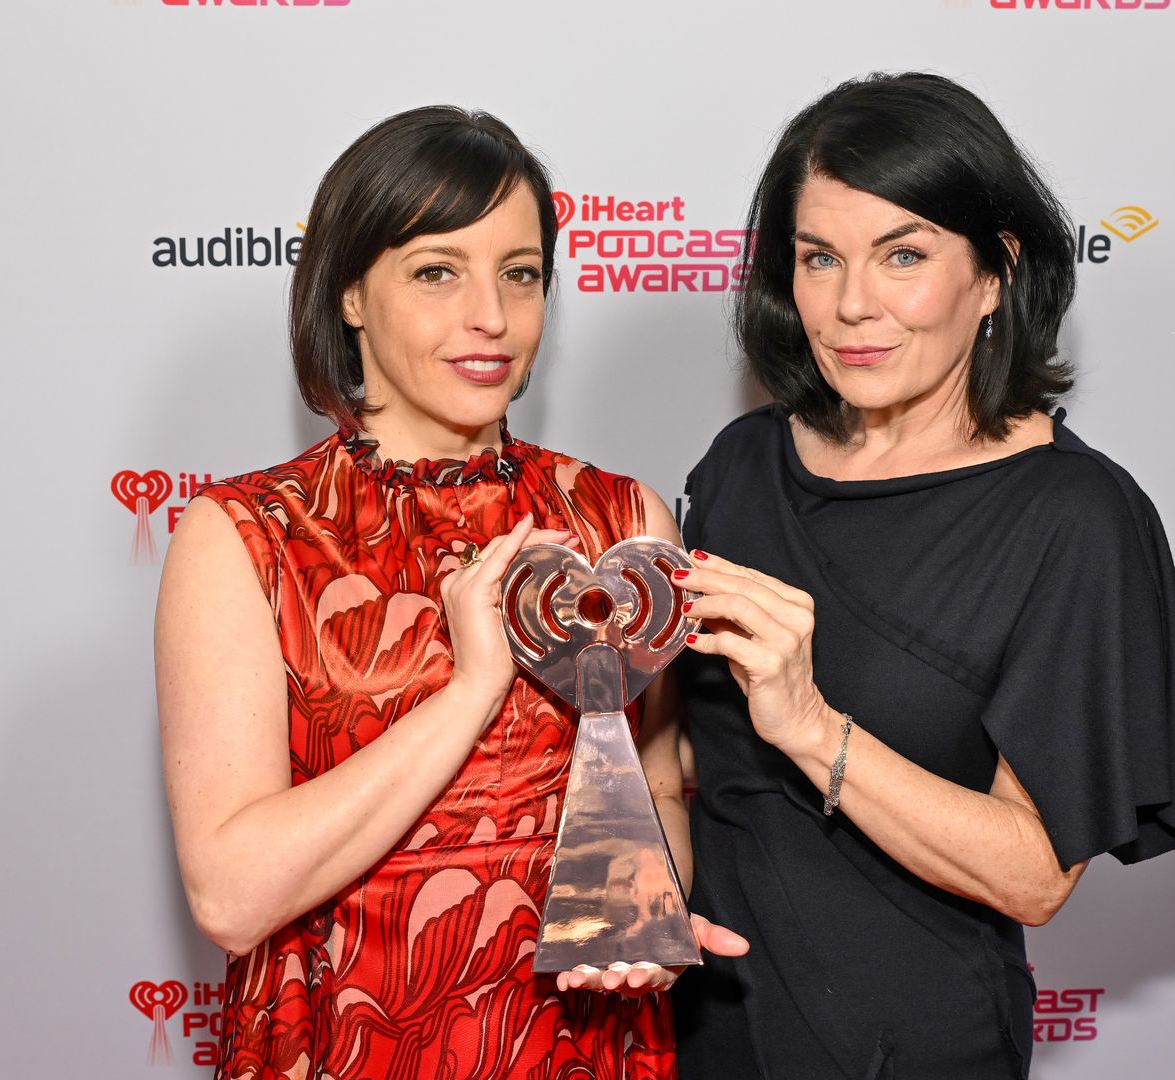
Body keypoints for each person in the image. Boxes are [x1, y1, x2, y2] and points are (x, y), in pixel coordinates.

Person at [155, 105, 741, 1080]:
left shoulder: (622, 519)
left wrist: (643, 911)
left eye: (520, 274)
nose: (492, 317)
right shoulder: (245, 539)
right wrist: (473, 687)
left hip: (580, 1045)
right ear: (349, 293)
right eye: (437, 271)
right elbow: (231, 895)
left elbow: (659, 781)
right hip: (347, 1049)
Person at [671, 73, 1175, 1079]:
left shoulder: (1075, 518)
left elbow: (1038, 875)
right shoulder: (740, 465)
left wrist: (811, 726)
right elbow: (676, 755)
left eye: (902, 255)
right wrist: (641, 889)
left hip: (907, 1045)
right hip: (705, 1029)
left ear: (996, 272)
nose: (852, 304)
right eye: (819, 258)